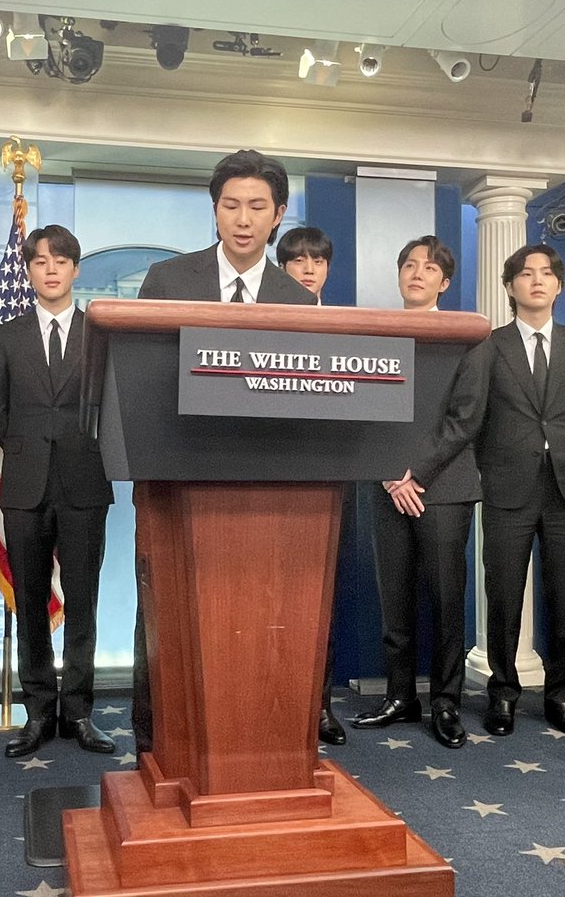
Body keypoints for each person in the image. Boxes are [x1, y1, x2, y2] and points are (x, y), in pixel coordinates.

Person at [134, 148, 317, 752]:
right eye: (231, 205)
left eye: (257, 207)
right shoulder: (168, 280)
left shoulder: (298, 301)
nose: (243, 218)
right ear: (214, 211)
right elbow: (140, 378)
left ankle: (256, 739)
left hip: (265, 491)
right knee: (167, 610)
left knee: (255, 612)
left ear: (278, 215)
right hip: (174, 480)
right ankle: (155, 738)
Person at [391, 244, 565, 740]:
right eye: (525, 274)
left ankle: (561, 697)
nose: (537, 281)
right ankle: (503, 695)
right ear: (510, 286)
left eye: (547, 273)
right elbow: (472, 417)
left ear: (559, 285)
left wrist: (556, 448)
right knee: (503, 596)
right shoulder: (487, 344)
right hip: (506, 484)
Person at [0, 225, 115, 758]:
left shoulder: (101, 333)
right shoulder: (6, 336)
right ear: (29, 270)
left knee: (83, 602)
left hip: (84, 481)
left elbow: (113, 405)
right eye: (39, 262)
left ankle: (79, 712)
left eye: (61, 261)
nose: (51, 269)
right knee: (30, 601)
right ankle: (39, 712)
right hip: (25, 483)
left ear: (76, 270)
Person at [350, 236, 481, 749]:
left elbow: (465, 418)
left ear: (444, 282)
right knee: (394, 601)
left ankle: (446, 703)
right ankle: (400, 697)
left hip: (443, 488)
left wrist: (415, 474)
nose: (417, 273)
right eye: (409, 265)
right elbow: (364, 409)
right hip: (386, 488)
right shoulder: (377, 333)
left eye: (430, 267)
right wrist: (390, 475)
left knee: (446, 601)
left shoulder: (469, 336)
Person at [276, 225, 344, 746]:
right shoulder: (259, 320)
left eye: (316, 261)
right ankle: (267, 702)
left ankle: (316, 707)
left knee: (317, 600)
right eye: (297, 260)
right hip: (263, 477)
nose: (307, 268)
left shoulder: (345, 328)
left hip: (323, 478)